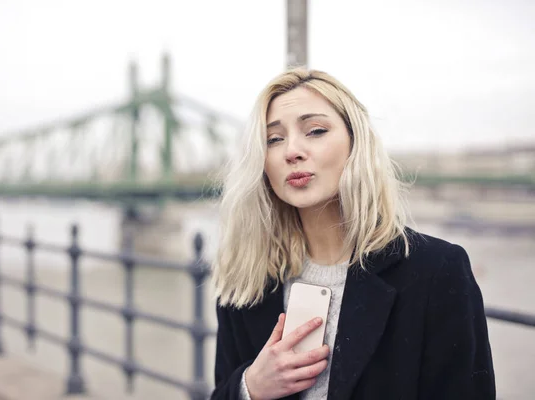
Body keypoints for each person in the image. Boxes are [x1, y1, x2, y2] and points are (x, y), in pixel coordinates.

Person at [210, 68, 495, 400]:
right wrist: (249, 388)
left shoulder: (435, 271)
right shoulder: (249, 280)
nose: (292, 151)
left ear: (355, 144)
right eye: (273, 139)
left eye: (315, 131)